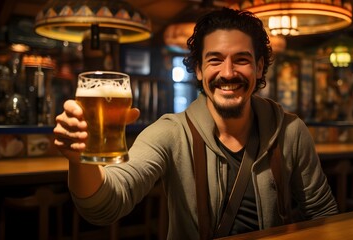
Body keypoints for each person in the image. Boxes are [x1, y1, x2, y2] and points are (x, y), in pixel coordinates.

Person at [53, 7, 338, 240]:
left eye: (241, 60)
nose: (228, 73)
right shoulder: (170, 133)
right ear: (199, 70)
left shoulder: (291, 130)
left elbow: (324, 215)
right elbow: (105, 207)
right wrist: (80, 161)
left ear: (260, 67)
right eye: (215, 60)